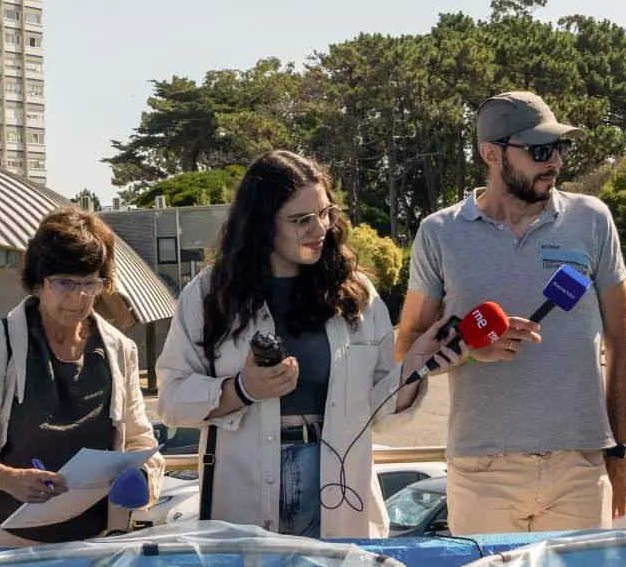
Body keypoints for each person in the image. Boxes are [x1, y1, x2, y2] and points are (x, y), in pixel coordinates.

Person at [160, 151, 448, 539]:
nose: (320, 228)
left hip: (338, 485)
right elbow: (171, 401)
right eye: (301, 220)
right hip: (244, 487)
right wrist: (242, 390)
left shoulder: (356, 293)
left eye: (326, 213)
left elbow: (378, 414)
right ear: (261, 225)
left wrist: (415, 364)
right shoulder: (208, 295)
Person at [397, 92, 626, 535]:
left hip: (580, 466)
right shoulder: (439, 233)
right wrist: (470, 349)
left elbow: (623, 343)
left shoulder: (593, 219)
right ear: (491, 153)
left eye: (560, 149)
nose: (555, 163)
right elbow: (409, 346)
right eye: (539, 150)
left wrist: (618, 454)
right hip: (481, 468)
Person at [0, 206, 164, 547]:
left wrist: (141, 475)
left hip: (88, 542)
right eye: (64, 283)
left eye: (90, 283)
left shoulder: (119, 349)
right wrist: (10, 478)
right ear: (39, 279)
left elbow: (140, 442)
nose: (78, 298)